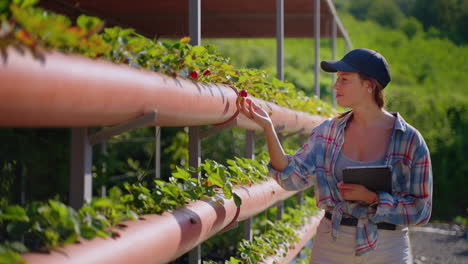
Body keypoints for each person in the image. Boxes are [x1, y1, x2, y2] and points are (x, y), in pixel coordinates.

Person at [237, 48, 432, 264]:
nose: (335, 86)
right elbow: (290, 177)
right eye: (337, 79)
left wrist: (374, 199)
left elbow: (421, 210)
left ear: (369, 85)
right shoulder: (327, 132)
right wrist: (267, 127)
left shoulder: (410, 140)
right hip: (332, 243)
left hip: (388, 246)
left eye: (344, 79)